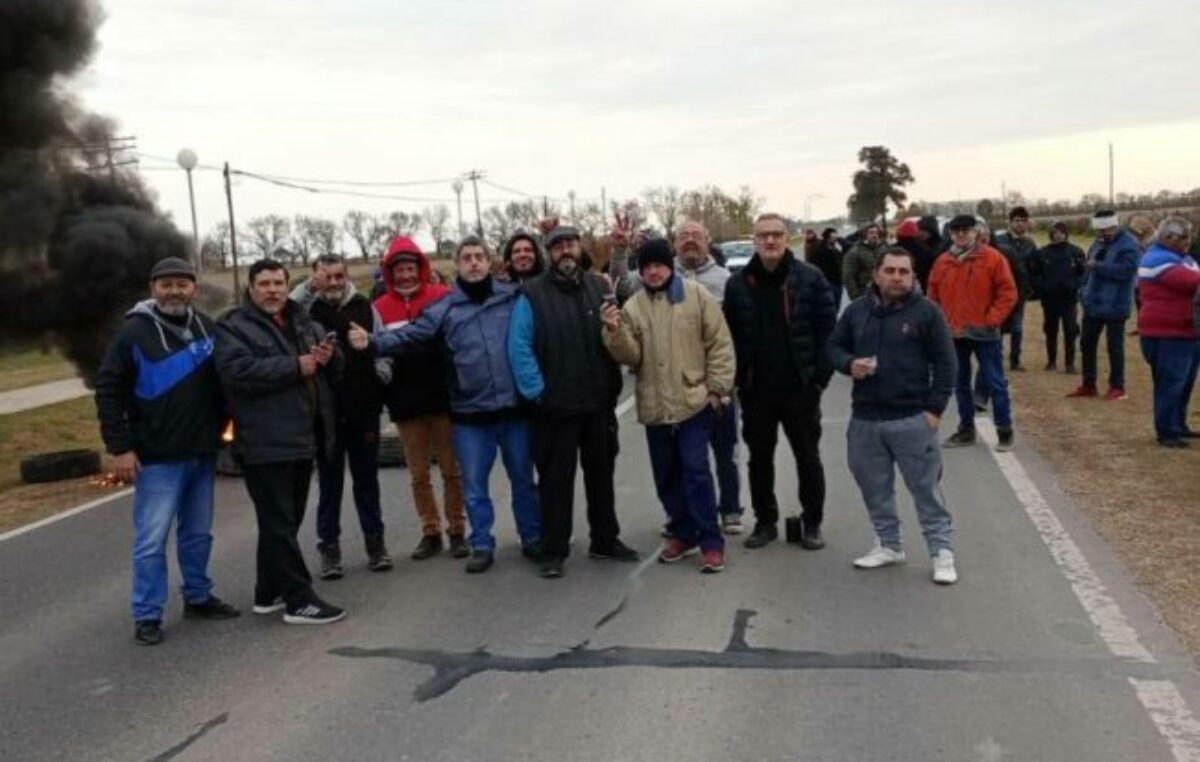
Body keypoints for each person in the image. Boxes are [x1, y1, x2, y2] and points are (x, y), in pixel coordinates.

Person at [350, 236, 540, 574]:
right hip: (470, 413)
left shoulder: (513, 298)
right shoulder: (445, 308)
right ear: (458, 265)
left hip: (514, 410)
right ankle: (481, 543)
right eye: (466, 258)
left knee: (523, 479)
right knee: (474, 484)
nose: (474, 263)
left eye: (479, 256)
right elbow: (411, 334)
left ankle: (532, 536)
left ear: (489, 261)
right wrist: (372, 343)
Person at [95, 257, 240, 646]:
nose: (174, 291)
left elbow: (224, 385)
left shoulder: (206, 328)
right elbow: (108, 392)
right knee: (151, 541)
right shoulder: (132, 334)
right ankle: (147, 613)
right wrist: (121, 448)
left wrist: (230, 432)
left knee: (197, 534)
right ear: (152, 287)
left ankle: (198, 596)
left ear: (194, 288)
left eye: (182, 284)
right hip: (158, 458)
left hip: (202, 453)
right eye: (166, 284)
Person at [215, 259, 346, 625]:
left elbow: (335, 370)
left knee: (285, 522)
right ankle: (299, 599)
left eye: (278, 283)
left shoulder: (304, 321)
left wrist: (329, 356)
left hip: (305, 437)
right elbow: (235, 372)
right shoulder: (233, 327)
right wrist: (294, 366)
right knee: (277, 522)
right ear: (251, 288)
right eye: (264, 283)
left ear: (288, 285)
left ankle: (268, 590)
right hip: (263, 441)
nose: (272, 290)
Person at [508, 226, 638, 578]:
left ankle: (605, 540)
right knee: (555, 482)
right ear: (548, 253)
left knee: (601, 476)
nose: (565, 251)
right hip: (555, 407)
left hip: (597, 403)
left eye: (570, 244)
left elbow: (616, 333)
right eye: (558, 246)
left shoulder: (599, 287)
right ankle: (553, 550)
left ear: (580, 248)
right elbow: (519, 349)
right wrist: (538, 393)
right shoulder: (532, 295)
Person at [601, 238, 736, 573]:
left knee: (695, 470)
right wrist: (614, 331)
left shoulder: (697, 296)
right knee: (666, 475)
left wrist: (717, 390)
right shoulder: (633, 306)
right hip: (655, 405)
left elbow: (719, 344)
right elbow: (631, 356)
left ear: (669, 265)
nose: (653, 272)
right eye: (646, 267)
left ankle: (710, 542)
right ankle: (682, 532)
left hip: (694, 401)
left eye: (658, 265)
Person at [829, 248, 959, 584]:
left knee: (926, 489)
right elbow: (833, 347)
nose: (897, 277)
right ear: (876, 275)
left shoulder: (928, 312)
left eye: (904, 271)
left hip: (912, 418)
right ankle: (889, 544)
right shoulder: (857, 312)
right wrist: (848, 364)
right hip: (865, 420)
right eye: (890, 271)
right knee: (874, 488)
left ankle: (941, 552)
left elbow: (947, 364)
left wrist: (934, 410)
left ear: (914, 276)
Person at [723, 213, 837, 550]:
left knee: (807, 456)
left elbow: (829, 333)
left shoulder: (811, 278)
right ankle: (765, 521)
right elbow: (728, 337)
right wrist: (738, 380)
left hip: (800, 388)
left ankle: (813, 522)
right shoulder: (739, 283)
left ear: (787, 238)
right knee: (759, 459)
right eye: (763, 236)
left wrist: (818, 380)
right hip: (757, 390)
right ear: (754, 240)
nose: (770, 241)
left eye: (776, 235)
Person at [291, 254, 392, 578]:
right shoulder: (306, 311)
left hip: (363, 409)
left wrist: (380, 376)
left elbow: (383, 344)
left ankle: (376, 545)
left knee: (367, 481)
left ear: (346, 276)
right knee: (329, 484)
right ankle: (329, 549)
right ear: (316, 278)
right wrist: (308, 286)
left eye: (338, 276)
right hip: (325, 414)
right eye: (326, 277)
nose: (333, 283)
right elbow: (285, 307)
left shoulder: (365, 306)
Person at [372, 236, 467, 561]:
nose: (406, 276)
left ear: (421, 268)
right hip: (406, 404)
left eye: (411, 268)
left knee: (452, 470)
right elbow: (378, 355)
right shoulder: (380, 308)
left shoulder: (444, 297)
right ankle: (430, 531)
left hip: (444, 399)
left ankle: (457, 529)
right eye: (400, 270)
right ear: (390, 273)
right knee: (418, 475)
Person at [673, 220, 745, 533]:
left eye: (696, 236)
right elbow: (619, 286)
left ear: (707, 241)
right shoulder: (660, 278)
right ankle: (688, 514)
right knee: (686, 458)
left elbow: (737, 334)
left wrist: (729, 381)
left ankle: (730, 509)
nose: (690, 241)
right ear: (674, 243)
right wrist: (620, 250)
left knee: (724, 452)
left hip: (719, 381)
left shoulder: (727, 281)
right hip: (677, 387)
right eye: (683, 236)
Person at [928, 214, 1018, 451]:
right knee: (960, 383)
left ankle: (1004, 429)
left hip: (985, 332)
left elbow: (1008, 293)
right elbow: (933, 296)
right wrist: (940, 323)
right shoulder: (942, 262)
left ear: (975, 232)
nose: (960, 234)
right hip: (953, 333)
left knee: (995, 382)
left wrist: (992, 319)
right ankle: (966, 428)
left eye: (965, 230)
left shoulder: (992, 258)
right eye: (956, 230)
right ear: (950, 234)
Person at [1136, 217, 1200, 447]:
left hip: (1186, 331)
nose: (1187, 241)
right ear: (1167, 237)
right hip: (1166, 334)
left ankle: (1178, 425)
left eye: (1188, 236)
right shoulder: (1157, 259)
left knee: (1184, 383)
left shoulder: (1183, 258)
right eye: (1182, 237)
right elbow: (1192, 282)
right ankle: (1166, 431)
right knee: (1170, 384)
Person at [1068, 210, 1140, 401]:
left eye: (1103, 229)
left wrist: (1098, 267)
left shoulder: (1129, 245)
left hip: (1115, 304)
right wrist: (1082, 289)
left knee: (1114, 347)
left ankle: (1117, 387)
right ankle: (1088, 384)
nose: (1099, 234)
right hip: (1092, 304)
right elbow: (1089, 267)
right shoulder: (1097, 243)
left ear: (1113, 225)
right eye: (1097, 230)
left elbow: (1127, 272)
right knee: (1086, 343)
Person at [1028, 221, 1086, 372]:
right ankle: (1051, 362)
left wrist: (1075, 285)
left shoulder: (1076, 252)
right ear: (1051, 234)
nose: (1058, 235)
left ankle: (1070, 364)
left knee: (1070, 331)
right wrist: (1042, 288)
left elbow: (1083, 274)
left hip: (1069, 299)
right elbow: (1035, 274)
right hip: (1049, 300)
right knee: (1050, 331)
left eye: (1061, 232)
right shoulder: (1042, 253)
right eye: (1055, 232)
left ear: (1066, 233)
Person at [994, 207, 1037, 372]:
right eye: (1017, 220)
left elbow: (1034, 268)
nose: (1020, 224)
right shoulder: (999, 241)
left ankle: (1015, 360)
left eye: (1023, 220)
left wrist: (1031, 289)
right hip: (1000, 292)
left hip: (1019, 293)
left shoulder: (1030, 244)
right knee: (998, 327)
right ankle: (996, 357)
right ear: (1010, 222)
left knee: (1017, 328)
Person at [842, 223, 885, 300]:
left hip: (884, 291)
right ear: (865, 235)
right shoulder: (855, 252)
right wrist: (855, 296)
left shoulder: (884, 249)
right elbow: (848, 275)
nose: (874, 235)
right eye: (871, 233)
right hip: (865, 292)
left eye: (876, 233)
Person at [808, 227, 844, 312]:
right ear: (828, 237)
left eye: (836, 236)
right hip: (827, 282)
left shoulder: (836, 247)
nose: (836, 238)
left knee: (836, 307)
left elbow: (841, 261)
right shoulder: (819, 250)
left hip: (838, 281)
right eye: (833, 236)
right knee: (829, 308)